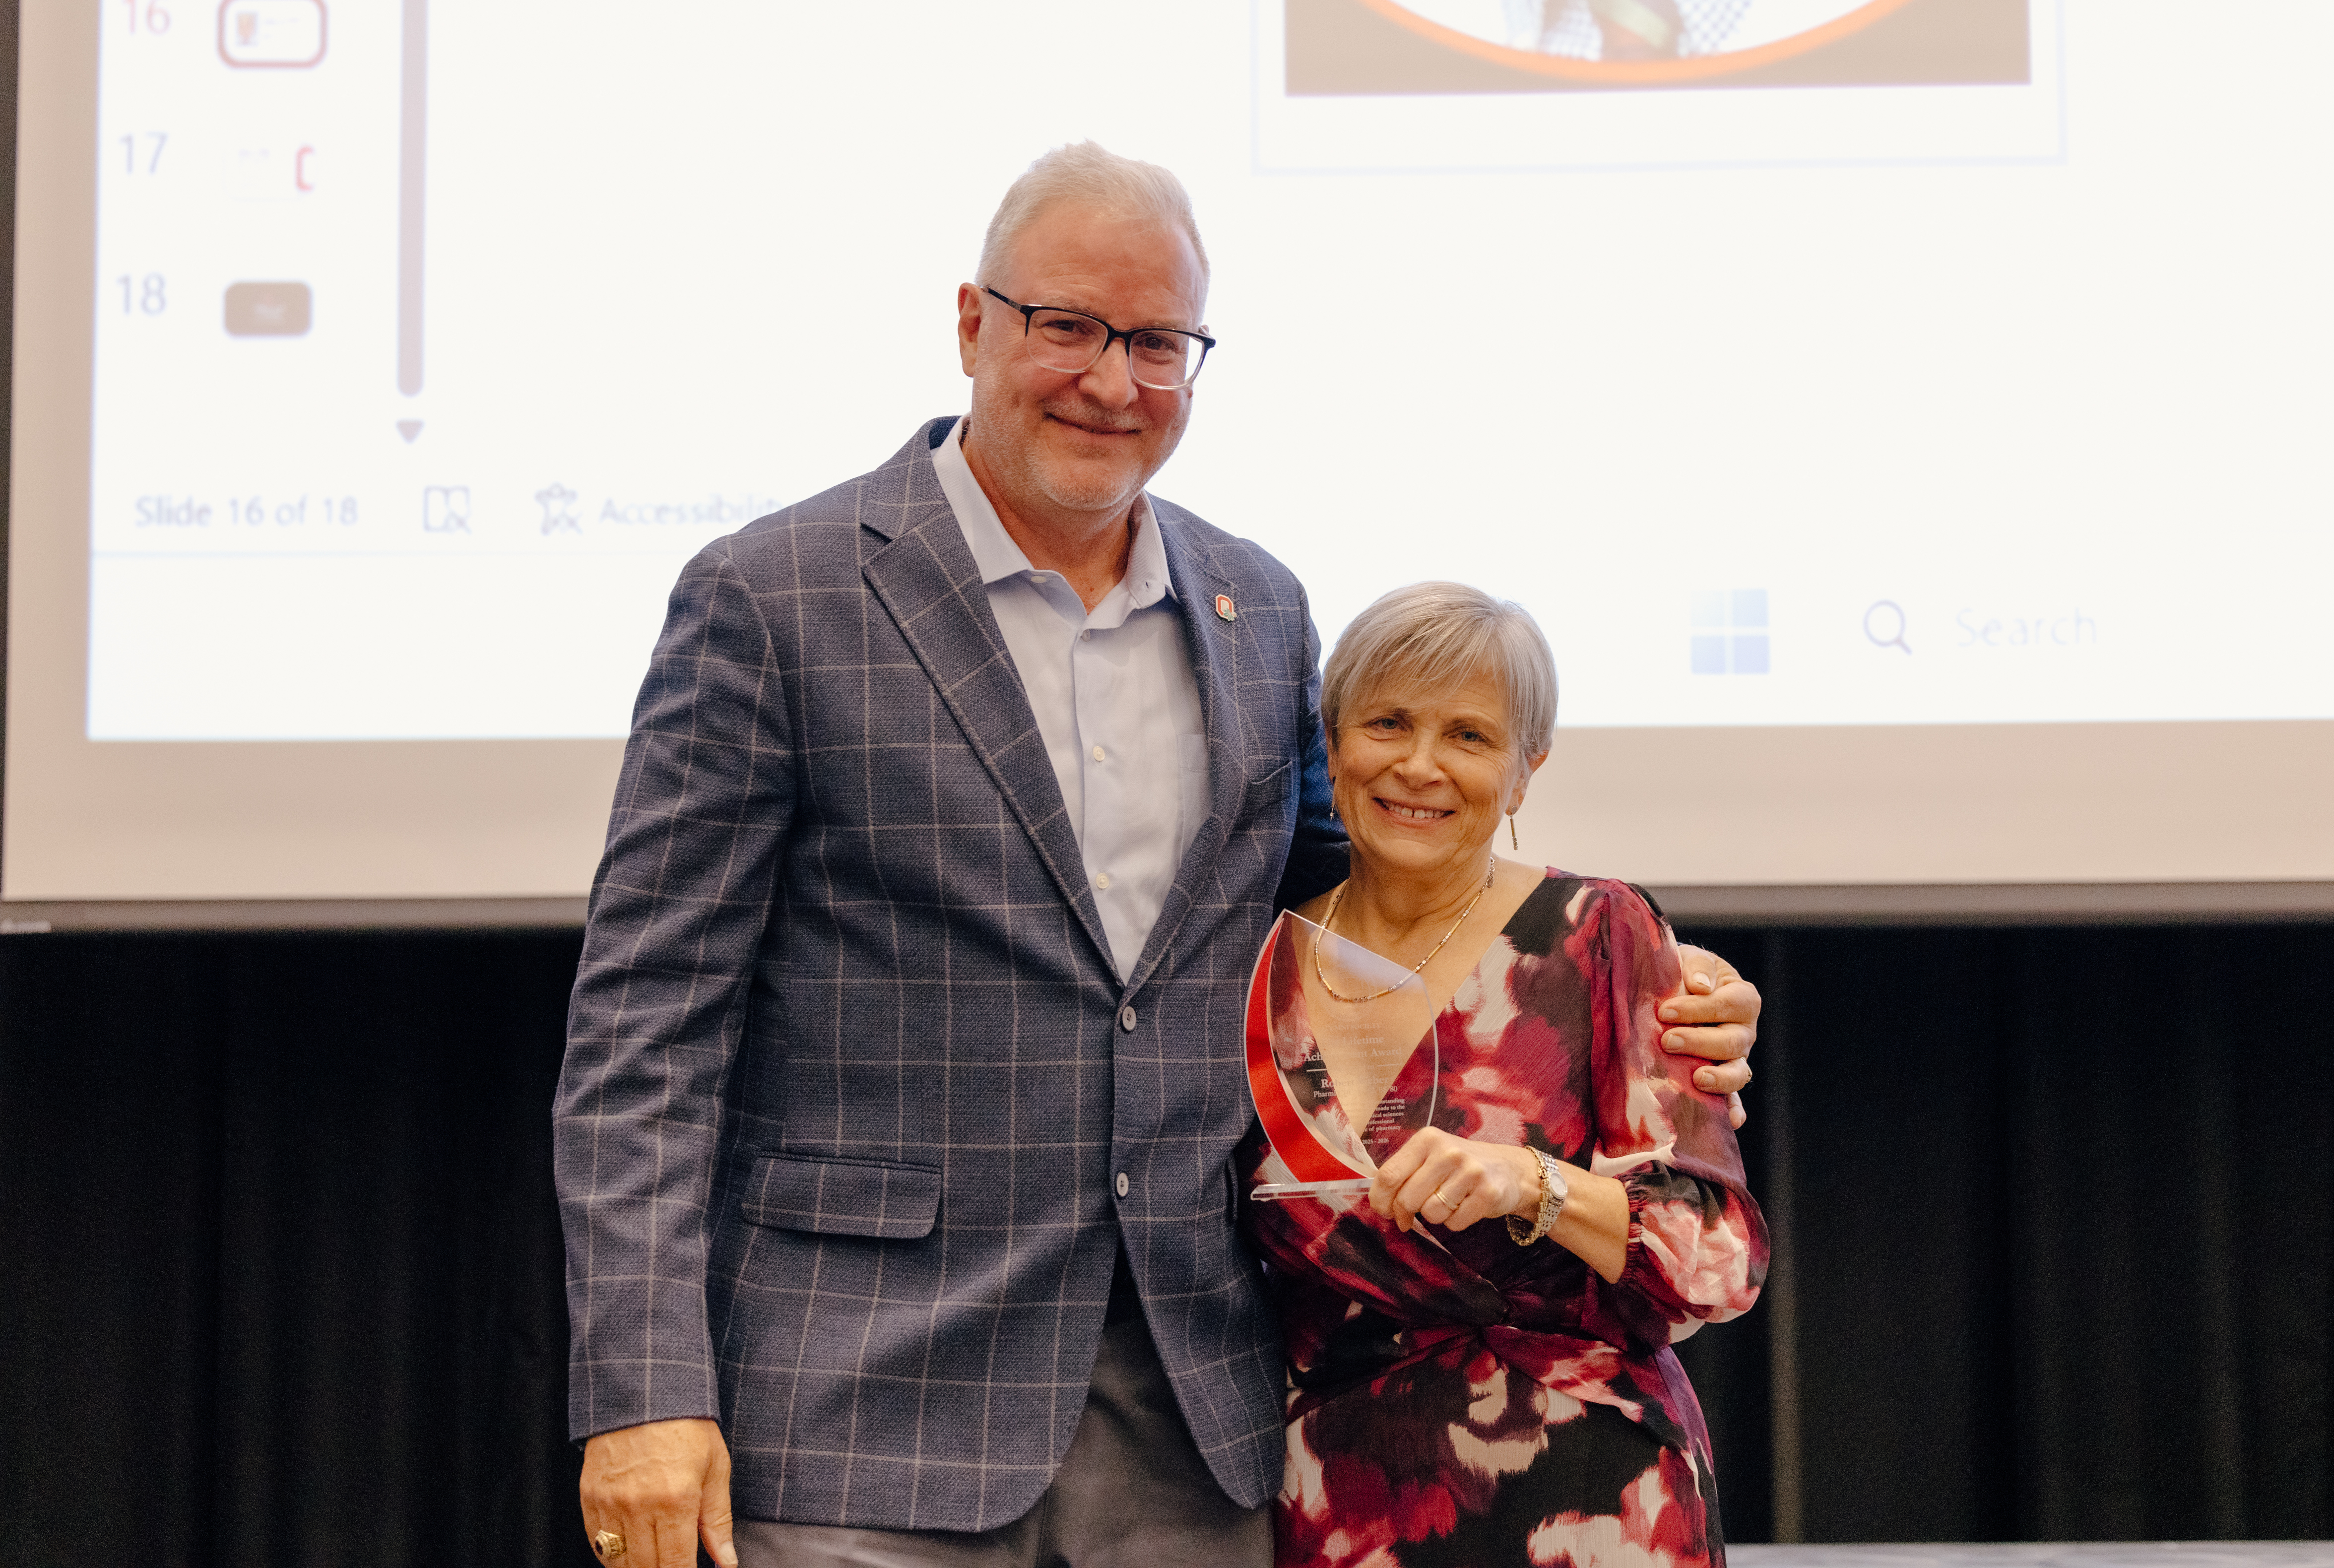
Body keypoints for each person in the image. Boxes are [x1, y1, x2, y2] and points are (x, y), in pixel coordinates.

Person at [553, 142, 1760, 1568]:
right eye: (1064, 325)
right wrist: (644, 1392)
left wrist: (1627, 979)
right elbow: (644, 1032)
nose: (1110, 380)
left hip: (1196, 1420)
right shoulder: (773, 597)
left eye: (1155, 343)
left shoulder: (1253, 603)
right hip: (858, 1410)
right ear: (969, 323)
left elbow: (1360, 913)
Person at [1242, 580, 1763, 1568]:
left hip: (1594, 1503)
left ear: (1525, 771)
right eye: (1387, 722)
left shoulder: (1602, 937)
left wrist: (1533, 1182)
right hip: (1336, 1507)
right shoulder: (1250, 964)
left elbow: (1719, 1260)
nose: (1420, 764)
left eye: (1470, 736)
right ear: (1332, 743)